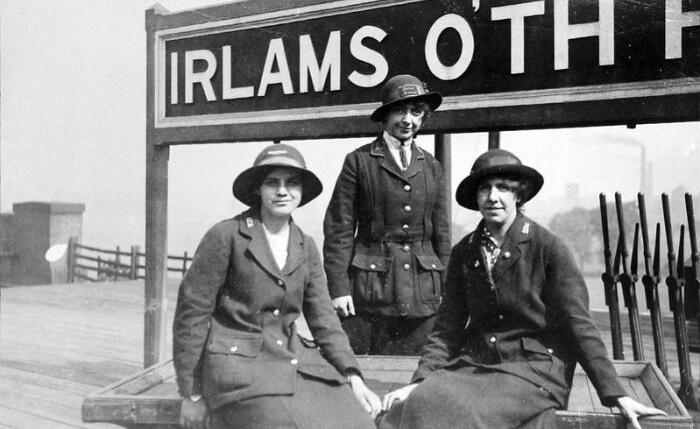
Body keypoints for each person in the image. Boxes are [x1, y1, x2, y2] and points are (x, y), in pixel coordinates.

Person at [378, 149, 666, 429]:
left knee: (463, 414)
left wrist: (616, 394)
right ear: (476, 198)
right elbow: (447, 327)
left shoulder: (547, 247)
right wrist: (419, 381)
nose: (493, 197)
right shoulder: (464, 251)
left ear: (519, 194)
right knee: (412, 405)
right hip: (476, 366)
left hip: (535, 370)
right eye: (484, 189)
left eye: (503, 187)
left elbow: (579, 324)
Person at [172, 143, 381, 429]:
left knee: (360, 423)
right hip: (239, 373)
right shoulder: (226, 235)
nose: (283, 191)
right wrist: (191, 393)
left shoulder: (305, 245)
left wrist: (353, 376)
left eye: (292, 183)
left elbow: (324, 319)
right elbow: (192, 315)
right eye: (273, 183)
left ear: (302, 191)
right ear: (258, 189)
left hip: (291, 363)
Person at [323, 74, 451, 356]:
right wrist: (339, 288)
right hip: (369, 293)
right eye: (399, 110)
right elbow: (339, 229)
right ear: (385, 116)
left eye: (416, 112)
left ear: (424, 117)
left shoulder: (431, 166)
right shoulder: (359, 161)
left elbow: (441, 234)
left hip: (422, 293)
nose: (407, 120)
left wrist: (446, 289)